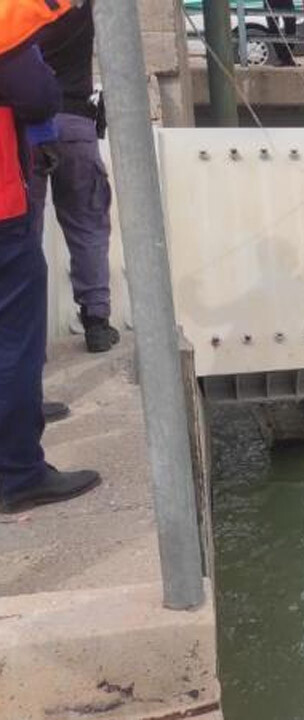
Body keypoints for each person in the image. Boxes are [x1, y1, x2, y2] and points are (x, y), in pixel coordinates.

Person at [0, 39, 102, 514]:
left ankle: (22, 419)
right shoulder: (10, 23)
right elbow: (38, 93)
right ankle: (20, 470)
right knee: (17, 334)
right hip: (4, 202)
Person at [30, 0, 120, 354]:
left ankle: (29, 336)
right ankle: (96, 321)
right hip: (77, 124)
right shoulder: (81, 7)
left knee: (26, 235)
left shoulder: (19, 13)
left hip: (28, 128)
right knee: (88, 225)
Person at [265, 0, 299, 67]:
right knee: (273, 29)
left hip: (286, 2)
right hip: (271, 2)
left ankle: (286, 57)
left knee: (291, 27)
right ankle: (282, 57)